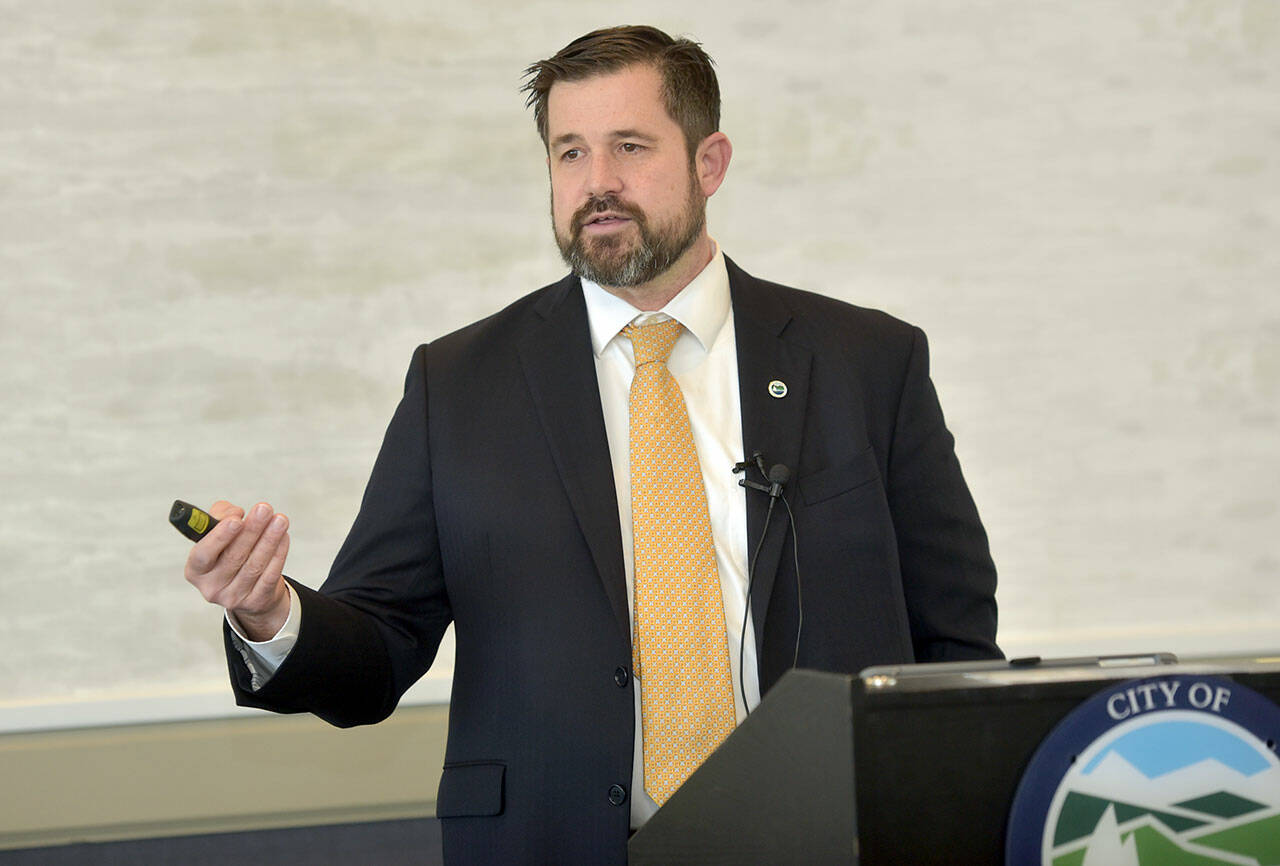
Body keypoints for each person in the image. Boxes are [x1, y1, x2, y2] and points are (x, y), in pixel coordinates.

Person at [183, 25, 1000, 865]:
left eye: (630, 147)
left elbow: (956, 639)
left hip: (833, 842)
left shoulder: (866, 362)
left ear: (709, 163)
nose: (597, 183)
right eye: (570, 153)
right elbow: (378, 647)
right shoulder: (460, 385)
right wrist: (270, 612)